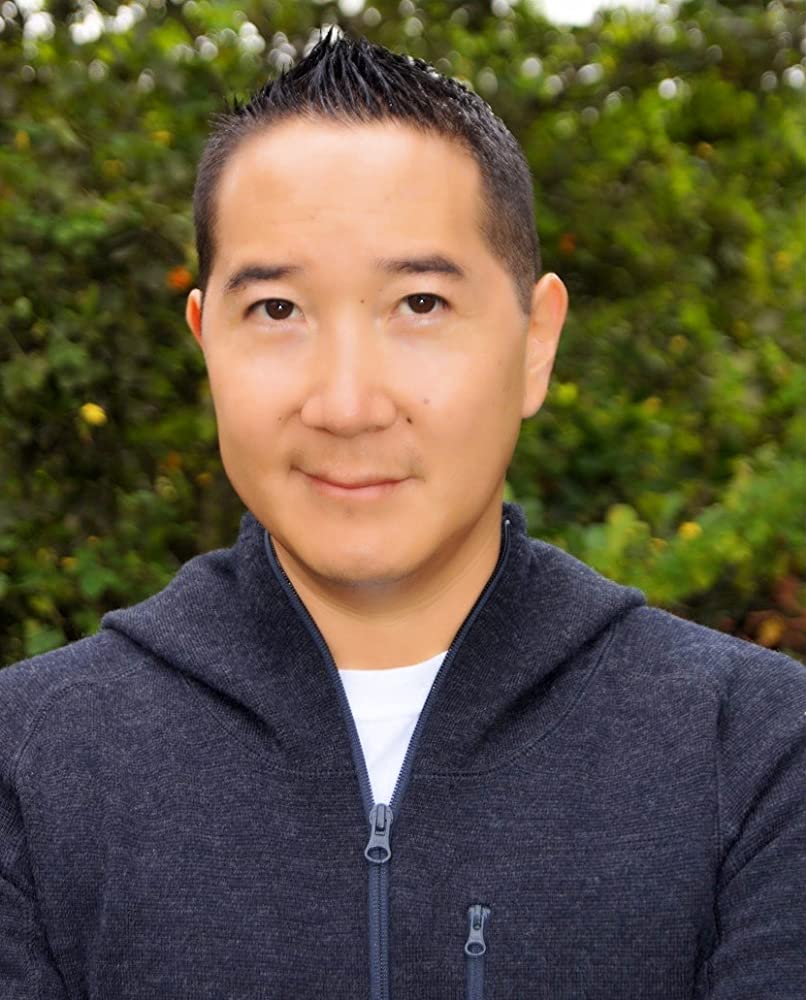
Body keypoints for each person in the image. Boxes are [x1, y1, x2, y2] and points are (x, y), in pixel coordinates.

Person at [0, 28, 803, 1000]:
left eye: (419, 304)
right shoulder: (30, 763)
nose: (347, 404)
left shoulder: (754, 750)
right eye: (277, 310)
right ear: (206, 340)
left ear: (535, 341)